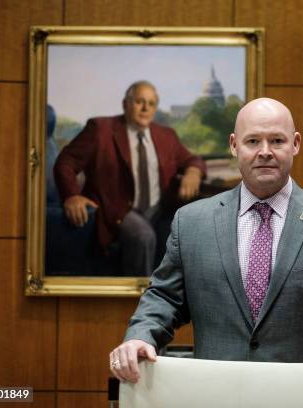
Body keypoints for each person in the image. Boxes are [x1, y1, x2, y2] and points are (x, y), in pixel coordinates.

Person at [109, 98, 303, 391]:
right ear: (234, 145)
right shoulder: (191, 222)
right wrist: (140, 336)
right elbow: (165, 297)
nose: (265, 152)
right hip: (215, 395)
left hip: (301, 397)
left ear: (295, 144)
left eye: (277, 140)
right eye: (253, 140)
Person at [54, 81, 206, 276]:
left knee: (188, 231)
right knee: (143, 236)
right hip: (117, 208)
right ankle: (141, 302)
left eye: (151, 104)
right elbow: (66, 162)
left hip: (159, 209)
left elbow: (192, 159)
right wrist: (71, 196)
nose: (145, 108)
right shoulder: (100, 130)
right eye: (139, 101)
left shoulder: (166, 135)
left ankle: (172, 300)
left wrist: (193, 171)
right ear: (125, 104)